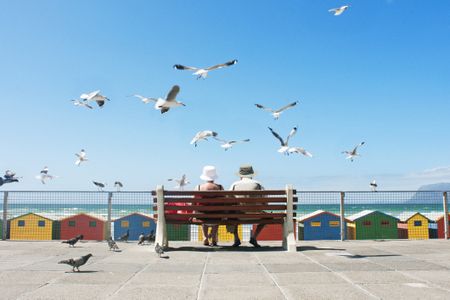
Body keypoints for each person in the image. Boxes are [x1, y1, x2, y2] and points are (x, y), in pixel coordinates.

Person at [229, 164, 265, 247]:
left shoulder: (234, 184)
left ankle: (236, 239)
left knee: (231, 215)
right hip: (257, 216)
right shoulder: (258, 184)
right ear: (252, 175)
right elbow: (265, 203)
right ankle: (254, 237)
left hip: (239, 216)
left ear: (240, 176)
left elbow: (229, 202)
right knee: (267, 217)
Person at [195, 165, 223, 246]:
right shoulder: (220, 187)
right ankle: (214, 237)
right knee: (217, 213)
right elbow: (224, 202)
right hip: (216, 216)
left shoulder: (199, 187)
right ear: (214, 177)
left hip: (202, 216)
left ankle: (205, 237)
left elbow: (194, 203)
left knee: (202, 212)